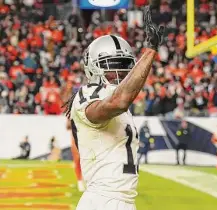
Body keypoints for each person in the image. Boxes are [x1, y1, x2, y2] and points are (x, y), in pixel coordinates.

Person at [62, 6, 164, 210]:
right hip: (103, 200)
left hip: (122, 200)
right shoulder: (88, 95)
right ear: (93, 68)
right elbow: (118, 102)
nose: (118, 73)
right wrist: (150, 50)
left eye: (124, 66)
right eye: (111, 67)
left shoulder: (119, 105)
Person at [66, 119, 85, 192]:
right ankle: (79, 181)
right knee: (77, 160)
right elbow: (67, 126)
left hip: (86, 139)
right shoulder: (72, 113)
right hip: (75, 139)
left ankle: (85, 180)